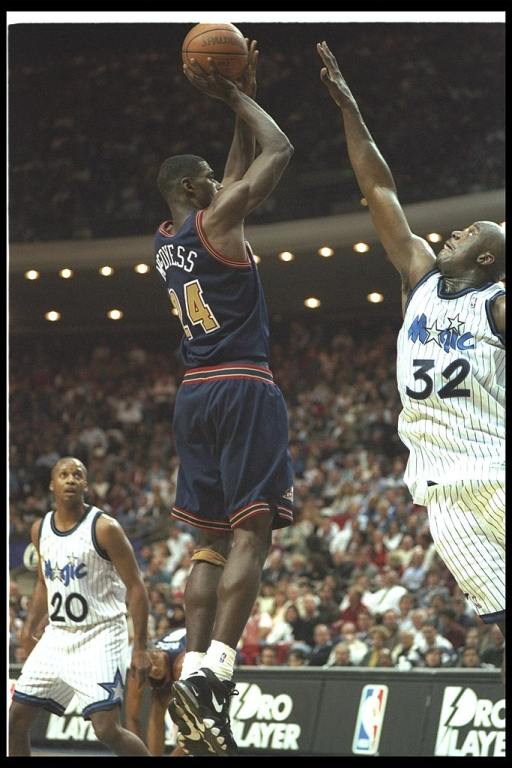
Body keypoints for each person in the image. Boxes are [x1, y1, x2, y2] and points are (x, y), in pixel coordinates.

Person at [317, 42, 505, 654]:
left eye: (469, 233)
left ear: (487, 259)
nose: (454, 231)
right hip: (442, 494)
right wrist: (350, 110)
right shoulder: (420, 280)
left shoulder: (497, 302)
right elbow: (380, 191)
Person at [154, 41, 294, 757]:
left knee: (209, 543)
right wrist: (230, 96)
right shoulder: (220, 220)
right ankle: (214, 676)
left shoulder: (169, 239)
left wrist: (246, 84)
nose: (220, 178)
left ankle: (194, 669)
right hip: (242, 384)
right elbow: (279, 151)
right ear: (193, 190)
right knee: (253, 532)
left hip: (193, 395)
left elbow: (236, 167)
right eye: (209, 178)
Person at [9, 457, 151, 756]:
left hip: (100, 635)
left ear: (86, 484)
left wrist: (139, 646)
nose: (71, 479)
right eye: (64, 475)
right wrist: (30, 627)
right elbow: (43, 584)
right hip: (58, 635)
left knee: (106, 729)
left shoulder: (105, 528)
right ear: (52, 484)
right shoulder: (40, 529)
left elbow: (137, 589)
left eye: (77, 475)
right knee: (15, 720)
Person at [124, 627, 188, 756]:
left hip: (204, 655)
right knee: (158, 706)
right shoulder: (138, 670)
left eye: (155, 663)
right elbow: (131, 718)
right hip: (175, 654)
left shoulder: (182, 667)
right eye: (150, 670)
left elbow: (199, 726)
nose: (154, 669)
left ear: (158, 653)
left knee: (203, 724)